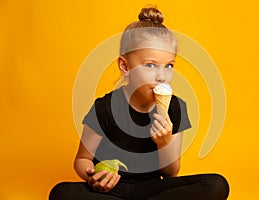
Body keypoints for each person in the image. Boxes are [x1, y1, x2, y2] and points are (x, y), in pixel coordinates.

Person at [49, 7, 229, 200]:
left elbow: (170, 173)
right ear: (125, 66)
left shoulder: (175, 108)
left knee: (215, 184)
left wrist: (164, 143)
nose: (161, 76)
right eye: (150, 65)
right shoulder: (105, 107)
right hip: (112, 191)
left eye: (169, 65)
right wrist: (94, 177)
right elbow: (82, 159)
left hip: (153, 189)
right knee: (61, 193)